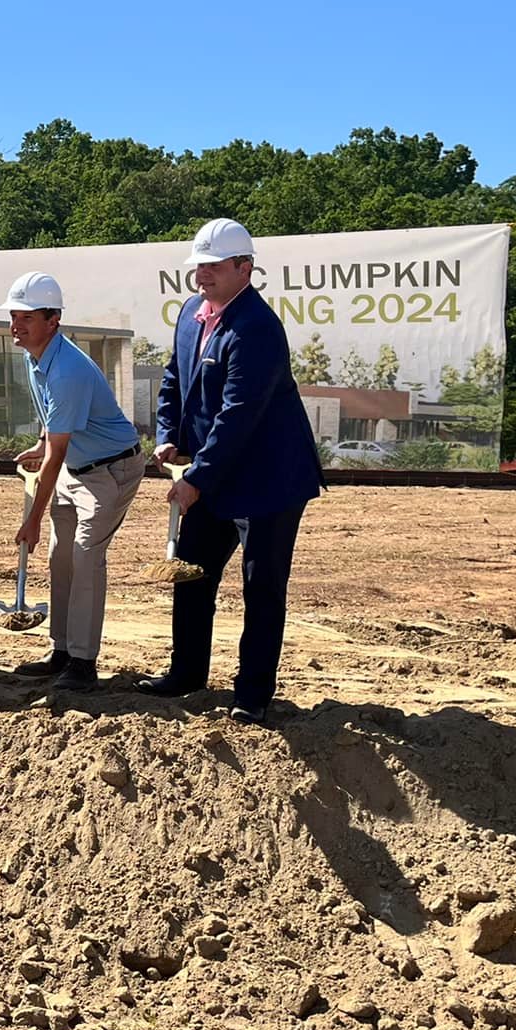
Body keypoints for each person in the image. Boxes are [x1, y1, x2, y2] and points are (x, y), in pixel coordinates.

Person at [138, 218, 323, 724]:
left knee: (261, 587)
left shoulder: (257, 328)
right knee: (191, 574)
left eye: (213, 267)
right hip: (214, 474)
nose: (202, 277)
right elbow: (174, 380)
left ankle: (253, 693)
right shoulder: (189, 315)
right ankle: (186, 673)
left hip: (268, 481)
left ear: (245, 268)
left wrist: (196, 479)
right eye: (198, 267)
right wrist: (167, 436)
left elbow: (239, 413)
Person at [3, 271, 147, 690]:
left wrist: (32, 518)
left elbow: (59, 452)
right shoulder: (36, 357)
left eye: (27, 318)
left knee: (85, 556)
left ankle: (83, 663)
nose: (17, 326)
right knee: (59, 557)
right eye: (14, 316)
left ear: (54, 320)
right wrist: (40, 442)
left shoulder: (66, 369)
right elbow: (54, 430)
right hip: (75, 468)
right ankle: (61, 650)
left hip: (111, 470)